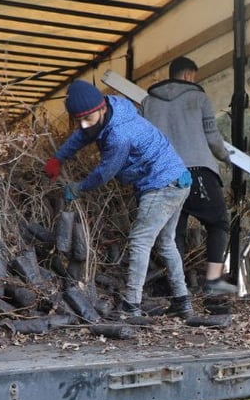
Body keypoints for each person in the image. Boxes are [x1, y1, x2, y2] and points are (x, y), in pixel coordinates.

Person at [45, 80, 193, 318]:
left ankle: (131, 305)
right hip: (177, 178)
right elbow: (84, 133)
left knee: (139, 241)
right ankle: (182, 301)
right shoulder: (111, 107)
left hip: (162, 184)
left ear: (102, 108)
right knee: (166, 243)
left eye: (88, 119)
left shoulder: (119, 136)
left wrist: (79, 187)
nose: (83, 125)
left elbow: (105, 172)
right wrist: (58, 158)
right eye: (79, 120)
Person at [141, 56, 237, 295]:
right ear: (187, 76)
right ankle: (213, 282)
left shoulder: (147, 102)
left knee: (174, 232)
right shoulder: (199, 98)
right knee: (219, 223)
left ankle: (178, 287)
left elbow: (143, 142)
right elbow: (212, 137)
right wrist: (227, 157)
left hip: (163, 176)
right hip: (197, 171)